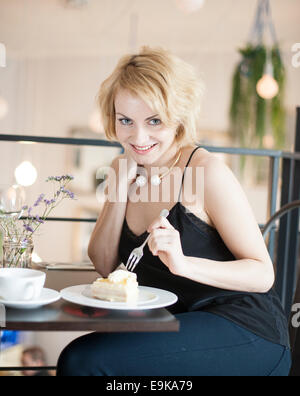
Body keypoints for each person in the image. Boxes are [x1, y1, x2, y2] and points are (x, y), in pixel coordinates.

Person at [57, 46, 291, 376]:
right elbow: (106, 264)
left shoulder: (205, 171)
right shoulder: (123, 167)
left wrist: (183, 264)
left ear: (178, 116)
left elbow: (262, 274)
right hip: (179, 327)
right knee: (84, 356)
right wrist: (118, 190)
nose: (139, 137)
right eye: (126, 120)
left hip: (245, 330)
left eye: (154, 120)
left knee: (84, 360)